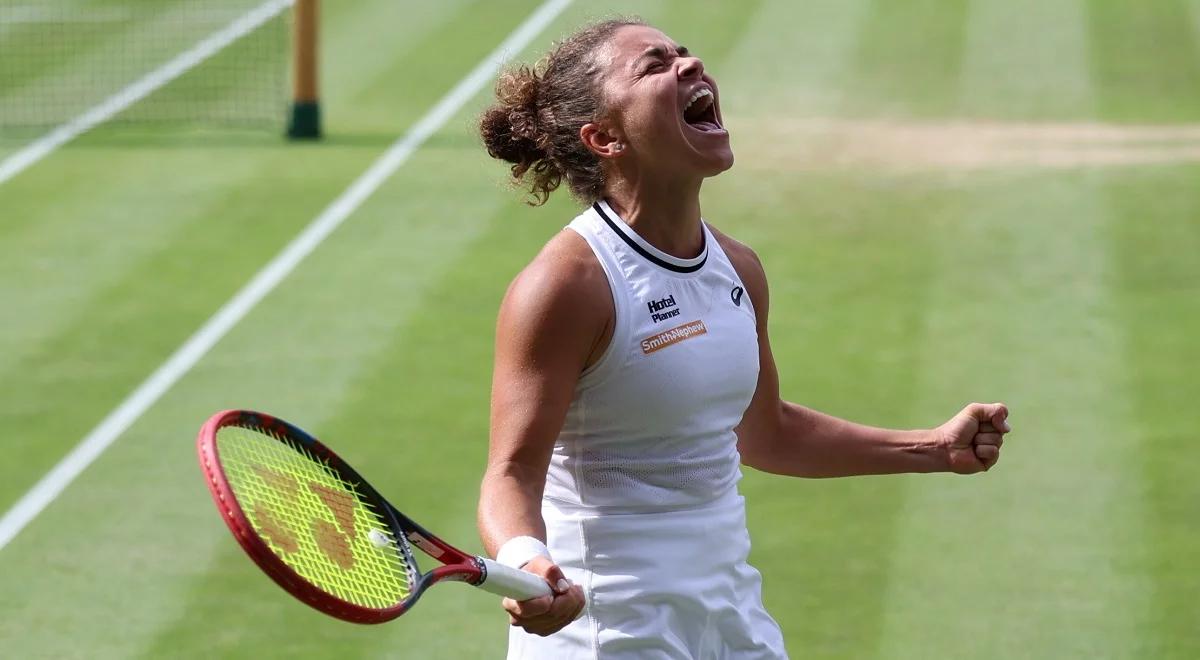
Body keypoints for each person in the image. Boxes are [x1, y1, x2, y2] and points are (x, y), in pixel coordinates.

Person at [476, 18, 1011, 659]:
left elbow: (764, 431)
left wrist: (932, 447)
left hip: (730, 622)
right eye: (653, 65)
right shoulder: (568, 285)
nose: (689, 64)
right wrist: (528, 559)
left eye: (683, 52)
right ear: (605, 137)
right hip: (607, 634)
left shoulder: (738, 269)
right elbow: (510, 471)